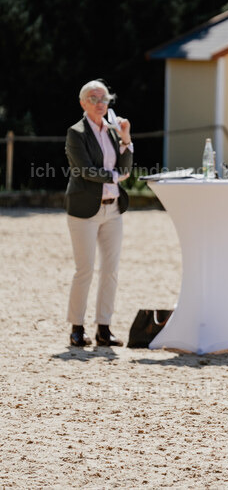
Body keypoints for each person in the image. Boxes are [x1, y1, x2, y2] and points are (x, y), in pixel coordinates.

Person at [65, 80, 133, 348]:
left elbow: (126, 166)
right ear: (83, 103)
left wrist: (126, 137)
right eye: (94, 98)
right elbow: (84, 170)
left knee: (111, 270)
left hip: (113, 209)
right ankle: (77, 328)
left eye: (104, 98)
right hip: (84, 210)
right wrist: (116, 175)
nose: (100, 103)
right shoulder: (76, 132)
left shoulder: (114, 130)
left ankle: (104, 328)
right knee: (85, 270)